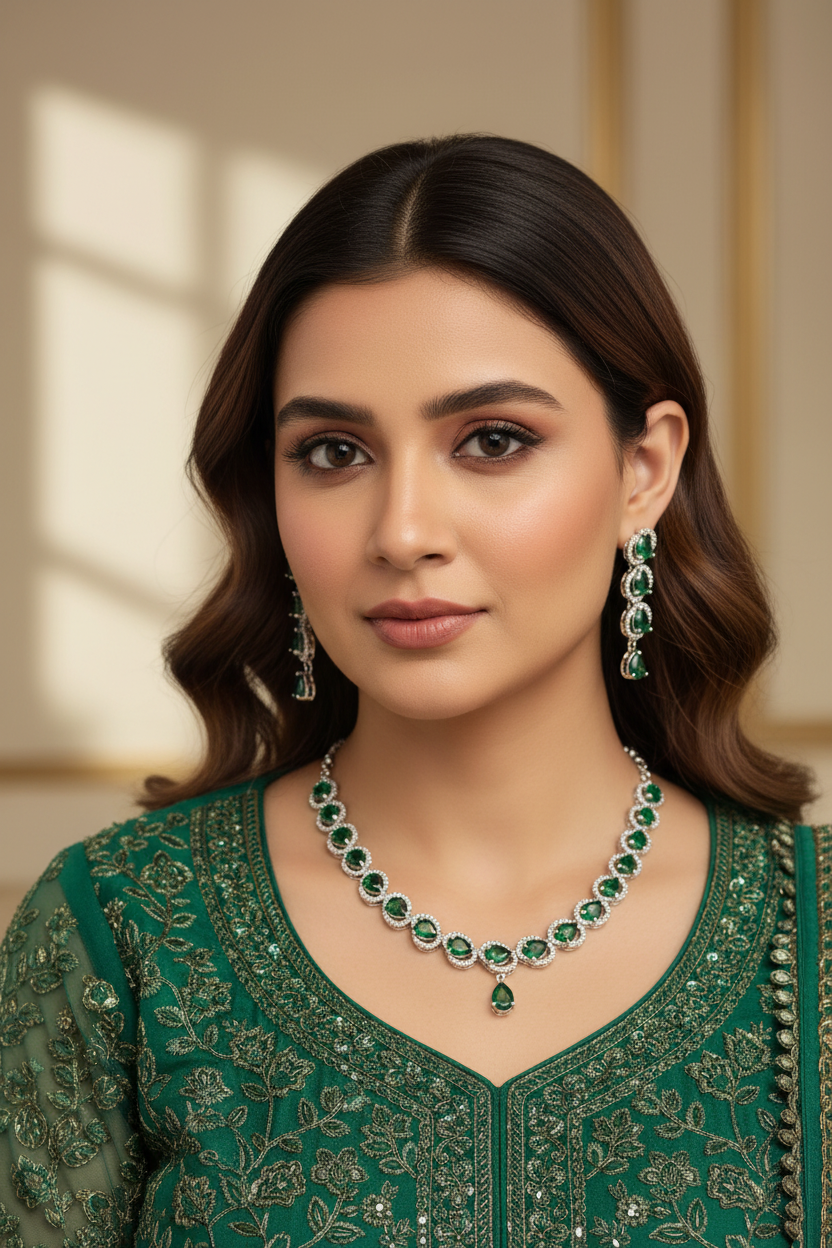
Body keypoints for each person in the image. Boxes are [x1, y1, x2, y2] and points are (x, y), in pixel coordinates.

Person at [0, 135, 826, 1248]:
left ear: (645, 469)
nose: (400, 533)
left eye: (492, 440)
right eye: (334, 452)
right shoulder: (120, 936)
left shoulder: (807, 936)